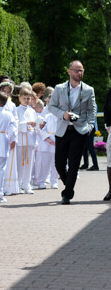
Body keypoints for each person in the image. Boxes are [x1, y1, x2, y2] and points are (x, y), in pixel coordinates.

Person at [48, 60, 96, 204]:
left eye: (81, 70)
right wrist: (63, 114)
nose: (79, 73)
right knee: (59, 164)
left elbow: (91, 112)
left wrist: (88, 128)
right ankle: (69, 185)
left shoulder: (88, 90)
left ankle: (67, 195)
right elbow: (51, 107)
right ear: (69, 71)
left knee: (74, 164)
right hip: (63, 130)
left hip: (79, 131)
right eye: (76, 70)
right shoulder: (59, 88)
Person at [16, 86, 38, 194]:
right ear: (20, 98)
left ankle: (27, 184)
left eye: (28, 98)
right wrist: (28, 123)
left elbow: (36, 125)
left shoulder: (32, 111)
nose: (26, 100)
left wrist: (38, 126)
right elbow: (15, 125)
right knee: (20, 163)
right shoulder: (16, 110)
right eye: (24, 98)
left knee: (29, 163)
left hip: (30, 139)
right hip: (21, 140)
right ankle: (18, 184)